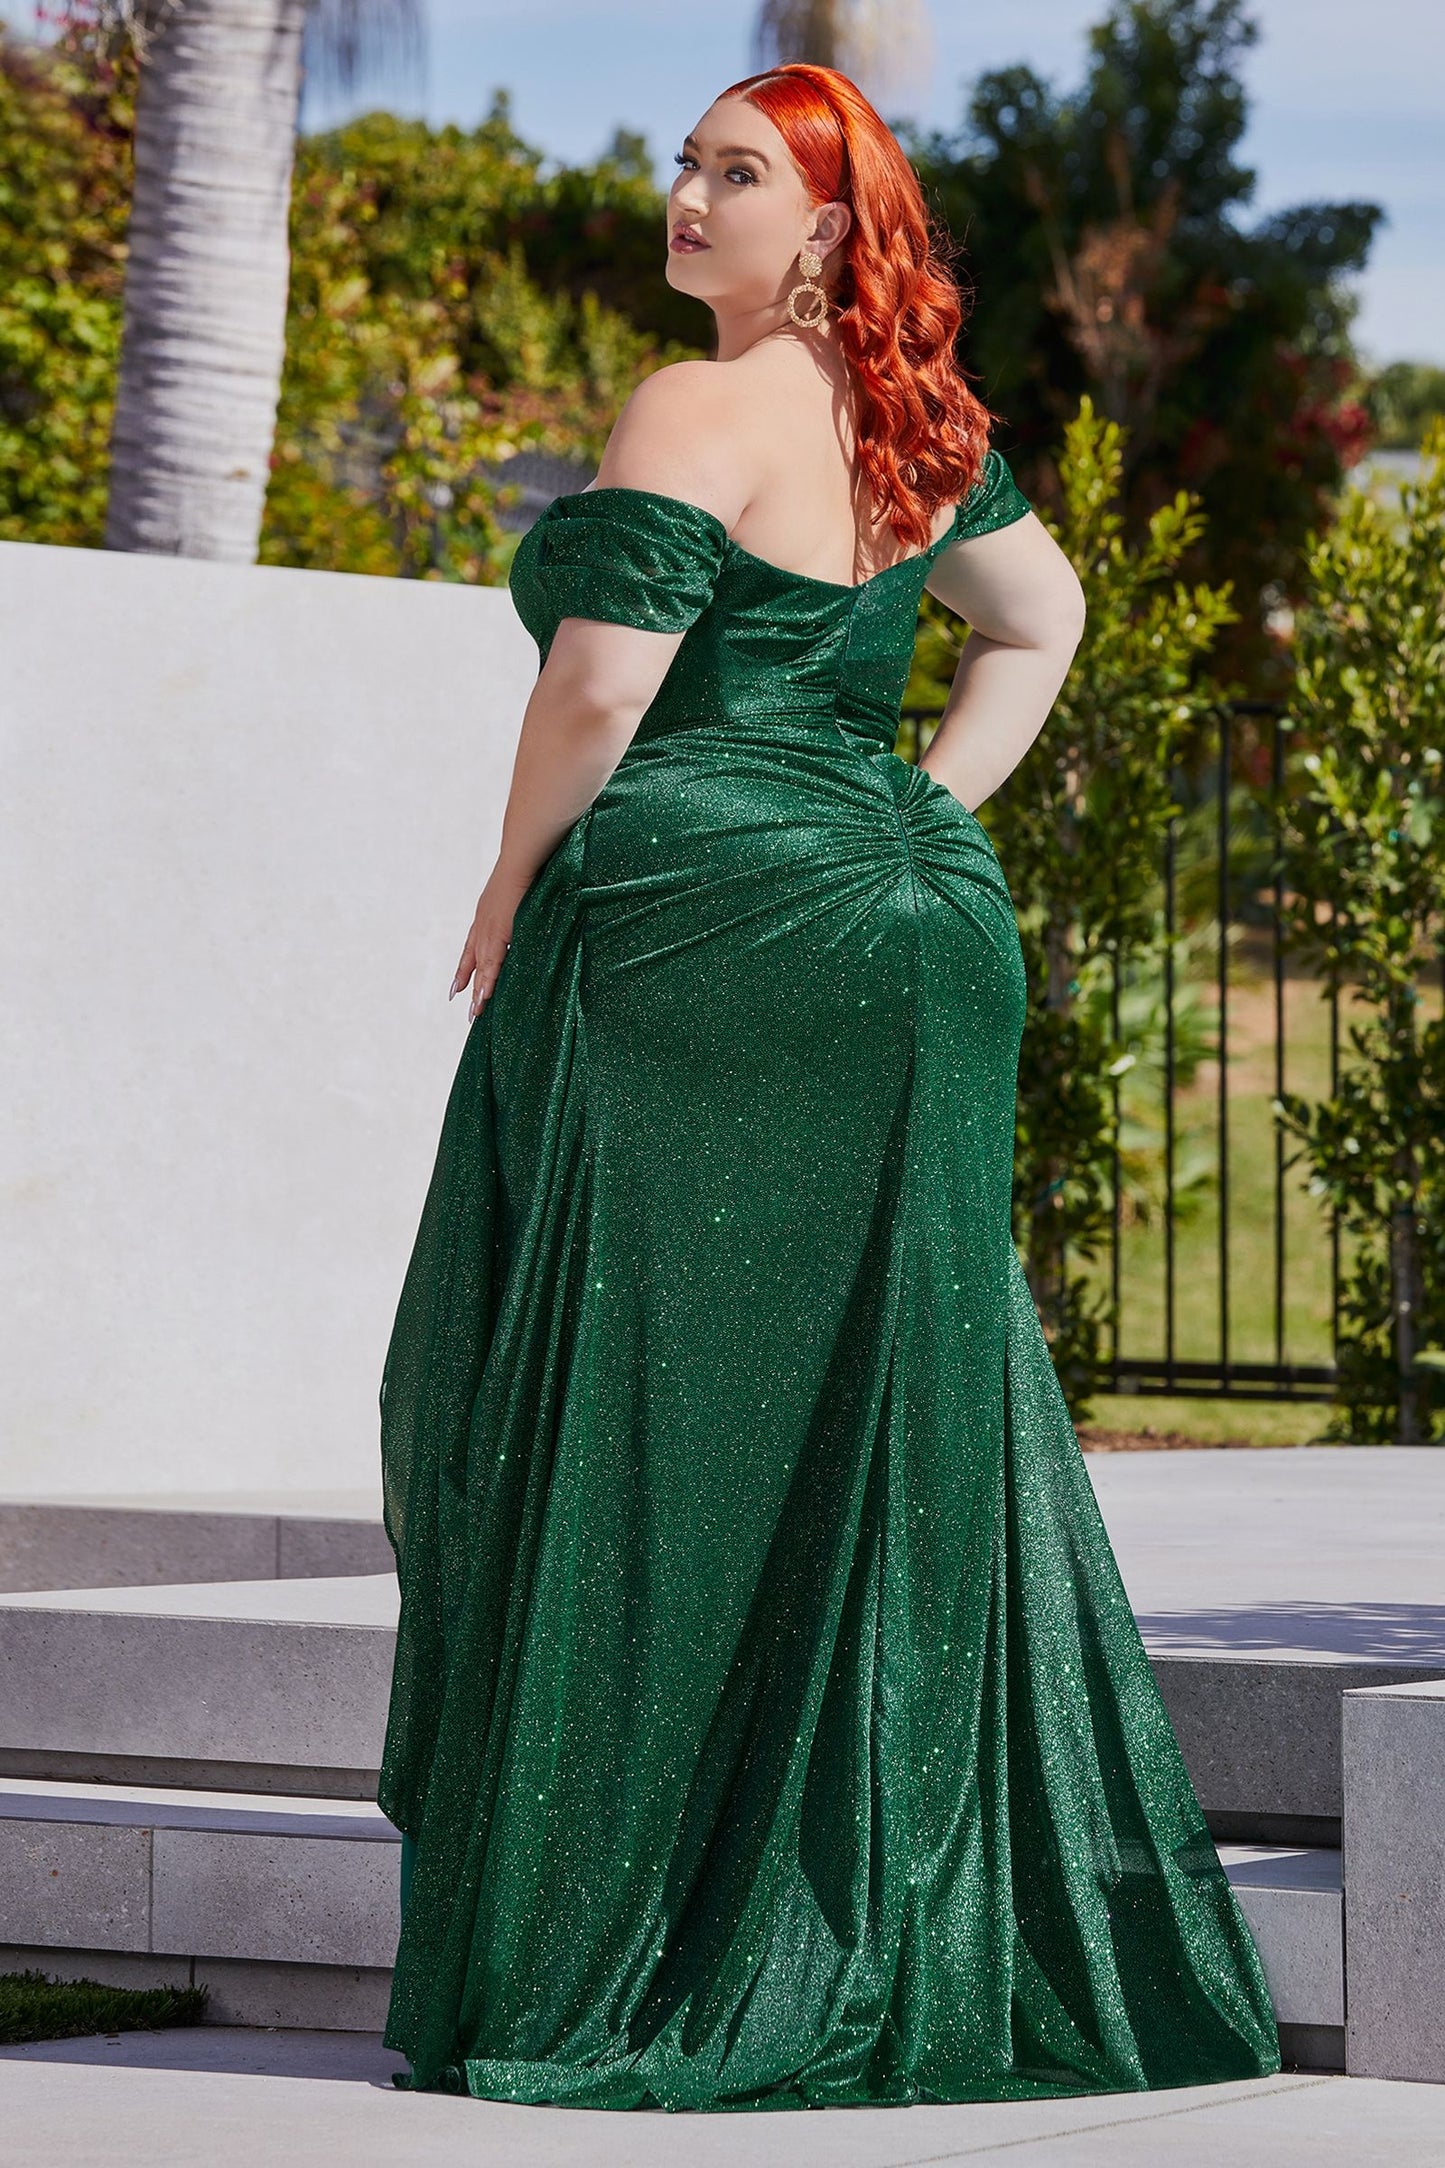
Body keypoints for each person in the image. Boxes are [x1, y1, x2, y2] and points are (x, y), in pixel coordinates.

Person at [376, 61, 1281, 2111]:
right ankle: (886, 1918)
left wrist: (508, 879)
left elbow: (601, 685)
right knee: (884, 1405)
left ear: (832, 228)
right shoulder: (914, 427)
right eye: (685, 162)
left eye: (738, 172)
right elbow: (1041, 620)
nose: (686, 197)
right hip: (905, 925)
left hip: (691, 919)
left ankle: (626, 1936)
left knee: (629, 1403)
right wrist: (916, 812)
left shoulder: (690, 408)